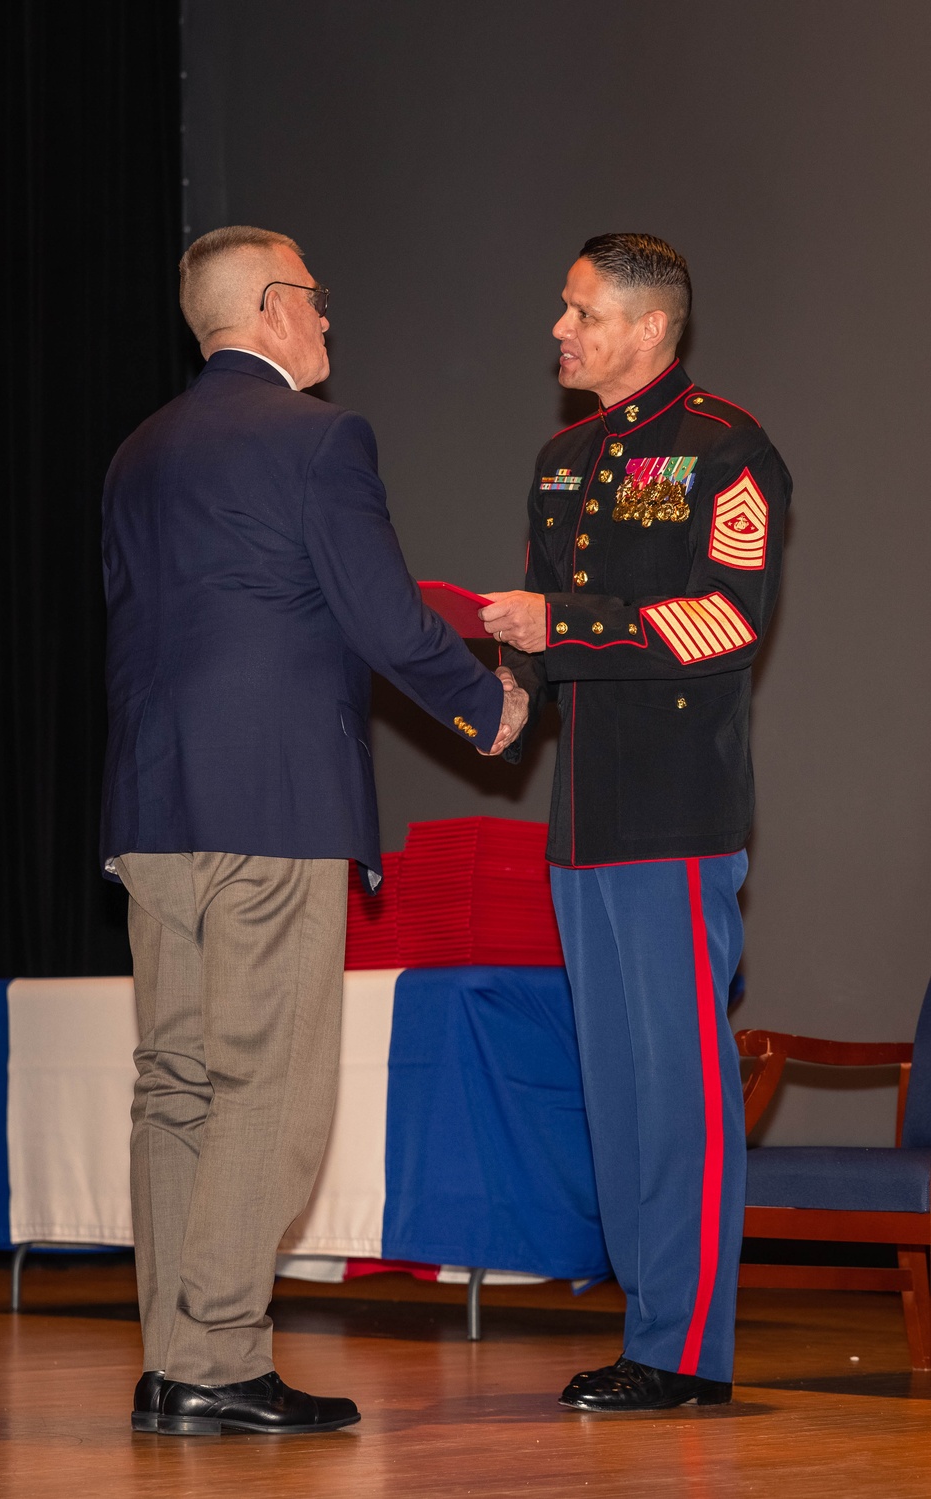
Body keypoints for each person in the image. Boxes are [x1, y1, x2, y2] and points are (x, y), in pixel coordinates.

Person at [100, 225, 527, 1437]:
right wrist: (485, 700)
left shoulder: (136, 453)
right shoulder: (320, 438)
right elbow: (383, 617)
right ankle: (222, 1360)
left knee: (173, 1084)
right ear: (277, 308)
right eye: (320, 302)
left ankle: (174, 1355)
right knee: (263, 1089)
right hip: (273, 808)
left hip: (152, 810)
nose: (329, 324)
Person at [482, 233, 790, 1411]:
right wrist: (512, 686)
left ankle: (686, 1349)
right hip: (580, 822)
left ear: (648, 328)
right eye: (562, 309)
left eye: (579, 312)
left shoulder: (728, 447)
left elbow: (728, 619)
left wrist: (563, 626)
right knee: (616, 1086)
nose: (558, 330)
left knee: (684, 1087)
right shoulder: (563, 457)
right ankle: (646, 1330)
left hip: (674, 812)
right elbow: (542, 637)